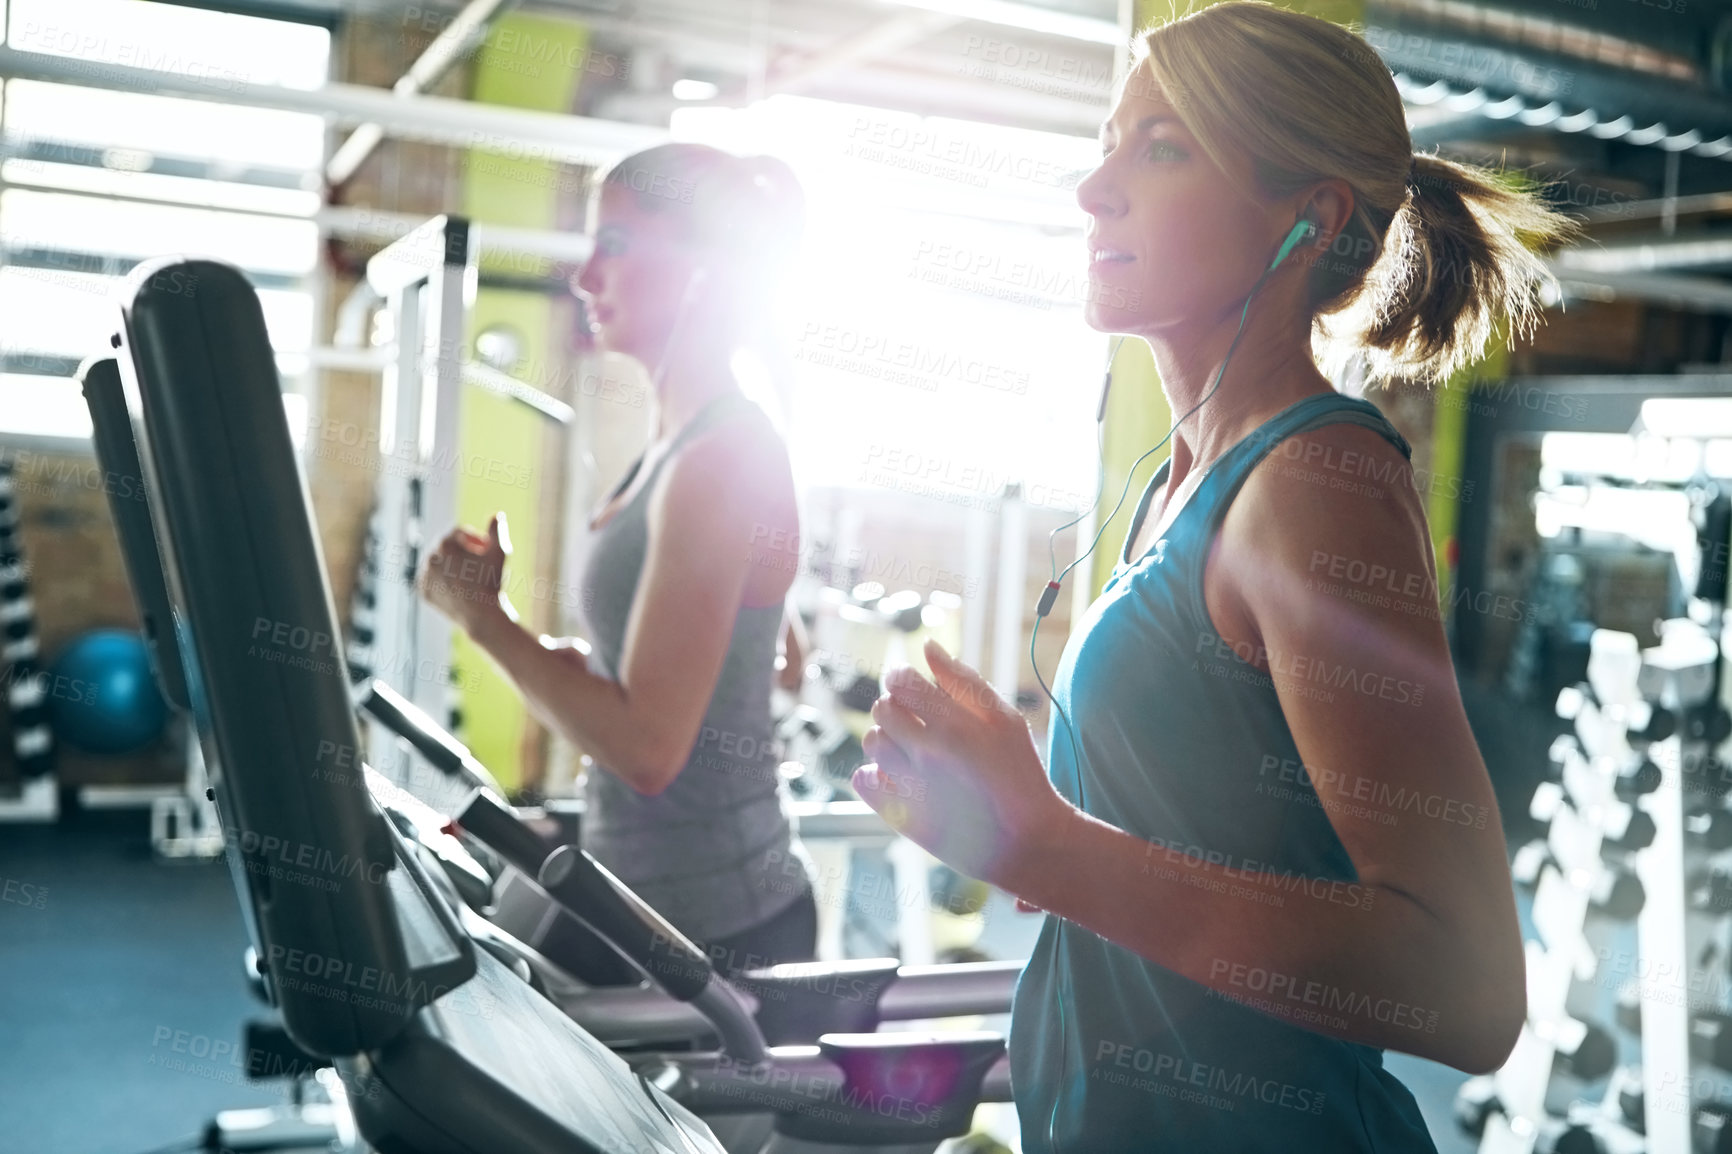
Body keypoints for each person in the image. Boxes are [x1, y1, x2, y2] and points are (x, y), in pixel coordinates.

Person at [850, 3, 1576, 1150]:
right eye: (1107, 140)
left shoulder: (1316, 480)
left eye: (1162, 147)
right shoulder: (1180, 482)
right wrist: (1021, 815)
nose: (1094, 188)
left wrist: (1050, 844)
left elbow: (1464, 987)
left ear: (1306, 220)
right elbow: (1196, 845)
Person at [420, 143, 819, 981]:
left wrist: (483, 620)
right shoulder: (675, 446)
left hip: (712, 923)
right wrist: (578, 662)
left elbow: (646, 749)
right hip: (646, 893)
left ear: (704, 272)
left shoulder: (720, 456)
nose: (585, 276)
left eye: (618, 245)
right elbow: (761, 664)